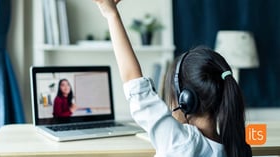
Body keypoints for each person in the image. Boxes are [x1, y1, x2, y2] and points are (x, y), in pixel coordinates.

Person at [93, 0, 252, 157]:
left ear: (185, 100)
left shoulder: (183, 142)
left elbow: (134, 84)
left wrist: (111, 15)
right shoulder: (235, 147)